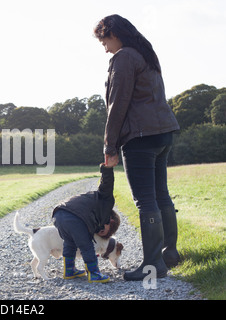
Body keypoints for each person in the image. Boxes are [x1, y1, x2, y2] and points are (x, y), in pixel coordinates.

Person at [93, 14, 181, 281]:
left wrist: (110, 145)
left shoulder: (124, 58)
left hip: (140, 137)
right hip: (162, 133)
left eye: (103, 40)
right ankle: (169, 254)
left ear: (113, 33)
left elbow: (117, 104)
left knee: (145, 200)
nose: (104, 47)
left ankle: (153, 265)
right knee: (160, 194)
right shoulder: (146, 54)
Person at [52, 164, 120, 283]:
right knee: (87, 246)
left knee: (69, 242)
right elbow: (107, 184)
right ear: (111, 221)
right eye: (103, 231)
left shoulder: (94, 209)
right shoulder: (105, 200)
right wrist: (107, 169)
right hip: (74, 217)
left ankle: (69, 271)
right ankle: (94, 274)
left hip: (58, 214)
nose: (99, 231)